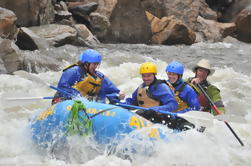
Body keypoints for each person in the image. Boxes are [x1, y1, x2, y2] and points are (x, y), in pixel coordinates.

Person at [52, 49, 125, 104]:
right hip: (66, 102)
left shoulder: (99, 76)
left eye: (97, 64)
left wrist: (118, 95)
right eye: (94, 64)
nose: (96, 67)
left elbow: (110, 90)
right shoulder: (73, 71)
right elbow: (62, 87)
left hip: (88, 106)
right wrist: (78, 97)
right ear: (86, 64)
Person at [125, 62, 181, 129]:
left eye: (148, 76)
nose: (146, 78)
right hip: (146, 117)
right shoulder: (142, 86)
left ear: (154, 75)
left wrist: (156, 109)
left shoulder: (162, 87)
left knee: (140, 113)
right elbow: (133, 100)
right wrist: (120, 104)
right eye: (144, 76)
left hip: (161, 120)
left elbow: (173, 105)